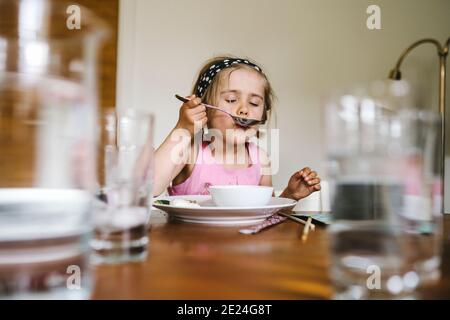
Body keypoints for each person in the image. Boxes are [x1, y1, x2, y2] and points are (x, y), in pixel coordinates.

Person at [154, 56, 321, 200]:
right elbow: (149, 187)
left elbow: (266, 214)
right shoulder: (192, 150)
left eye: (254, 103)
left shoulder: (260, 160)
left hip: (244, 239)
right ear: (204, 107)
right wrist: (183, 128)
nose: (244, 109)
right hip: (187, 238)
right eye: (232, 100)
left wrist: (289, 196)